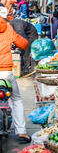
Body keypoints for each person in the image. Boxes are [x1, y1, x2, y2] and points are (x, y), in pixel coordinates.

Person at [0, 8, 31, 143]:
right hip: (6, 72)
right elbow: (23, 43)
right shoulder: (7, 27)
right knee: (16, 100)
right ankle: (22, 132)